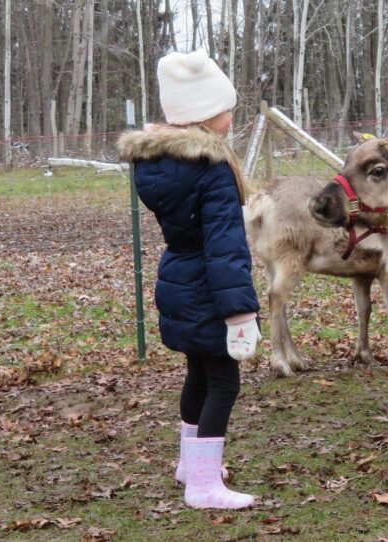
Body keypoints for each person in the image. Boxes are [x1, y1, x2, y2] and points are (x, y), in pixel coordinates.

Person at [117, 50, 261, 510]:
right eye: (226, 107)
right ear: (204, 113)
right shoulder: (211, 169)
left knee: (198, 371)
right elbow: (225, 247)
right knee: (224, 381)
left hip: (179, 276)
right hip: (209, 286)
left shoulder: (155, 163)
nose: (231, 115)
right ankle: (203, 487)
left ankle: (190, 465)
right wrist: (240, 312)